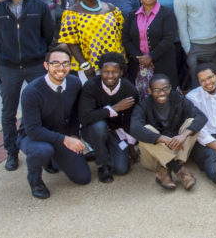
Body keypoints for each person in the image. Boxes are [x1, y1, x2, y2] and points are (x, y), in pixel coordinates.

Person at [0, 0, 54, 172]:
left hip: (35, 65)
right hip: (9, 68)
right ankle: (11, 152)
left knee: (43, 108)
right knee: (8, 112)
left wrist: (39, 55)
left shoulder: (38, 6)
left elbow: (48, 35)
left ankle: (46, 152)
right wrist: (2, 67)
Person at [17, 45, 90, 198]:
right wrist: (65, 140)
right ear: (46, 66)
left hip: (61, 134)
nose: (61, 68)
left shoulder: (74, 83)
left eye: (65, 63)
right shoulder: (31, 92)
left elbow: (75, 114)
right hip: (33, 137)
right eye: (55, 63)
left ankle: (52, 161)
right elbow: (33, 130)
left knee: (83, 178)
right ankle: (35, 180)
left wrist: (73, 135)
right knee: (43, 150)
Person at [129, 74, 205, 190]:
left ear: (170, 87)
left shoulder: (178, 98)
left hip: (177, 151)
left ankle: (163, 172)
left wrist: (183, 135)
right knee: (146, 130)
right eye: (156, 90)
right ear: (149, 91)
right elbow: (134, 128)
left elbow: (201, 117)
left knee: (191, 123)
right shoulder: (143, 105)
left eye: (165, 88)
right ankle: (179, 170)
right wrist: (162, 138)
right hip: (154, 160)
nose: (162, 93)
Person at [78, 51, 138, 183]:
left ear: (121, 72)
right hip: (93, 130)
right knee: (99, 126)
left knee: (121, 169)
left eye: (114, 71)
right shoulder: (91, 86)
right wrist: (114, 109)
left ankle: (102, 151)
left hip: (116, 132)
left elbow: (130, 119)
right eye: (106, 71)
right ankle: (102, 165)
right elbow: (84, 117)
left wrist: (131, 147)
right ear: (100, 71)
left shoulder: (130, 90)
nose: (110, 76)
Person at [58, 0, 124, 77]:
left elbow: (122, 34)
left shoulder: (111, 9)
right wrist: (85, 65)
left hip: (114, 65)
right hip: (88, 66)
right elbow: (70, 42)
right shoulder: (71, 13)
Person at [123, 0, 179, 99]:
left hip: (163, 63)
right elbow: (126, 38)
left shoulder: (167, 14)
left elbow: (168, 38)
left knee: (164, 96)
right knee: (141, 97)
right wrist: (140, 58)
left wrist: (151, 56)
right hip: (138, 65)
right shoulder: (132, 15)